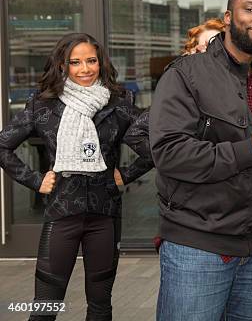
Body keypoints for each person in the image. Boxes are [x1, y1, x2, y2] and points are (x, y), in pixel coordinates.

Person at [150, 0, 252, 321]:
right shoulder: (186, 74)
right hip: (199, 248)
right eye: (250, 9)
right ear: (228, 19)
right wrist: (249, 151)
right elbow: (169, 153)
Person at [0, 33, 153, 320]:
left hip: (104, 215)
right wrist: (35, 180)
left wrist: (128, 174)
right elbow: (3, 145)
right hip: (62, 214)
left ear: (100, 62)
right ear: (62, 66)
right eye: (75, 62)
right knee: (45, 308)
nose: (85, 69)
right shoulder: (43, 105)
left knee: (100, 307)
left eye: (91, 61)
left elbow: (156, 144)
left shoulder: (119, 102)